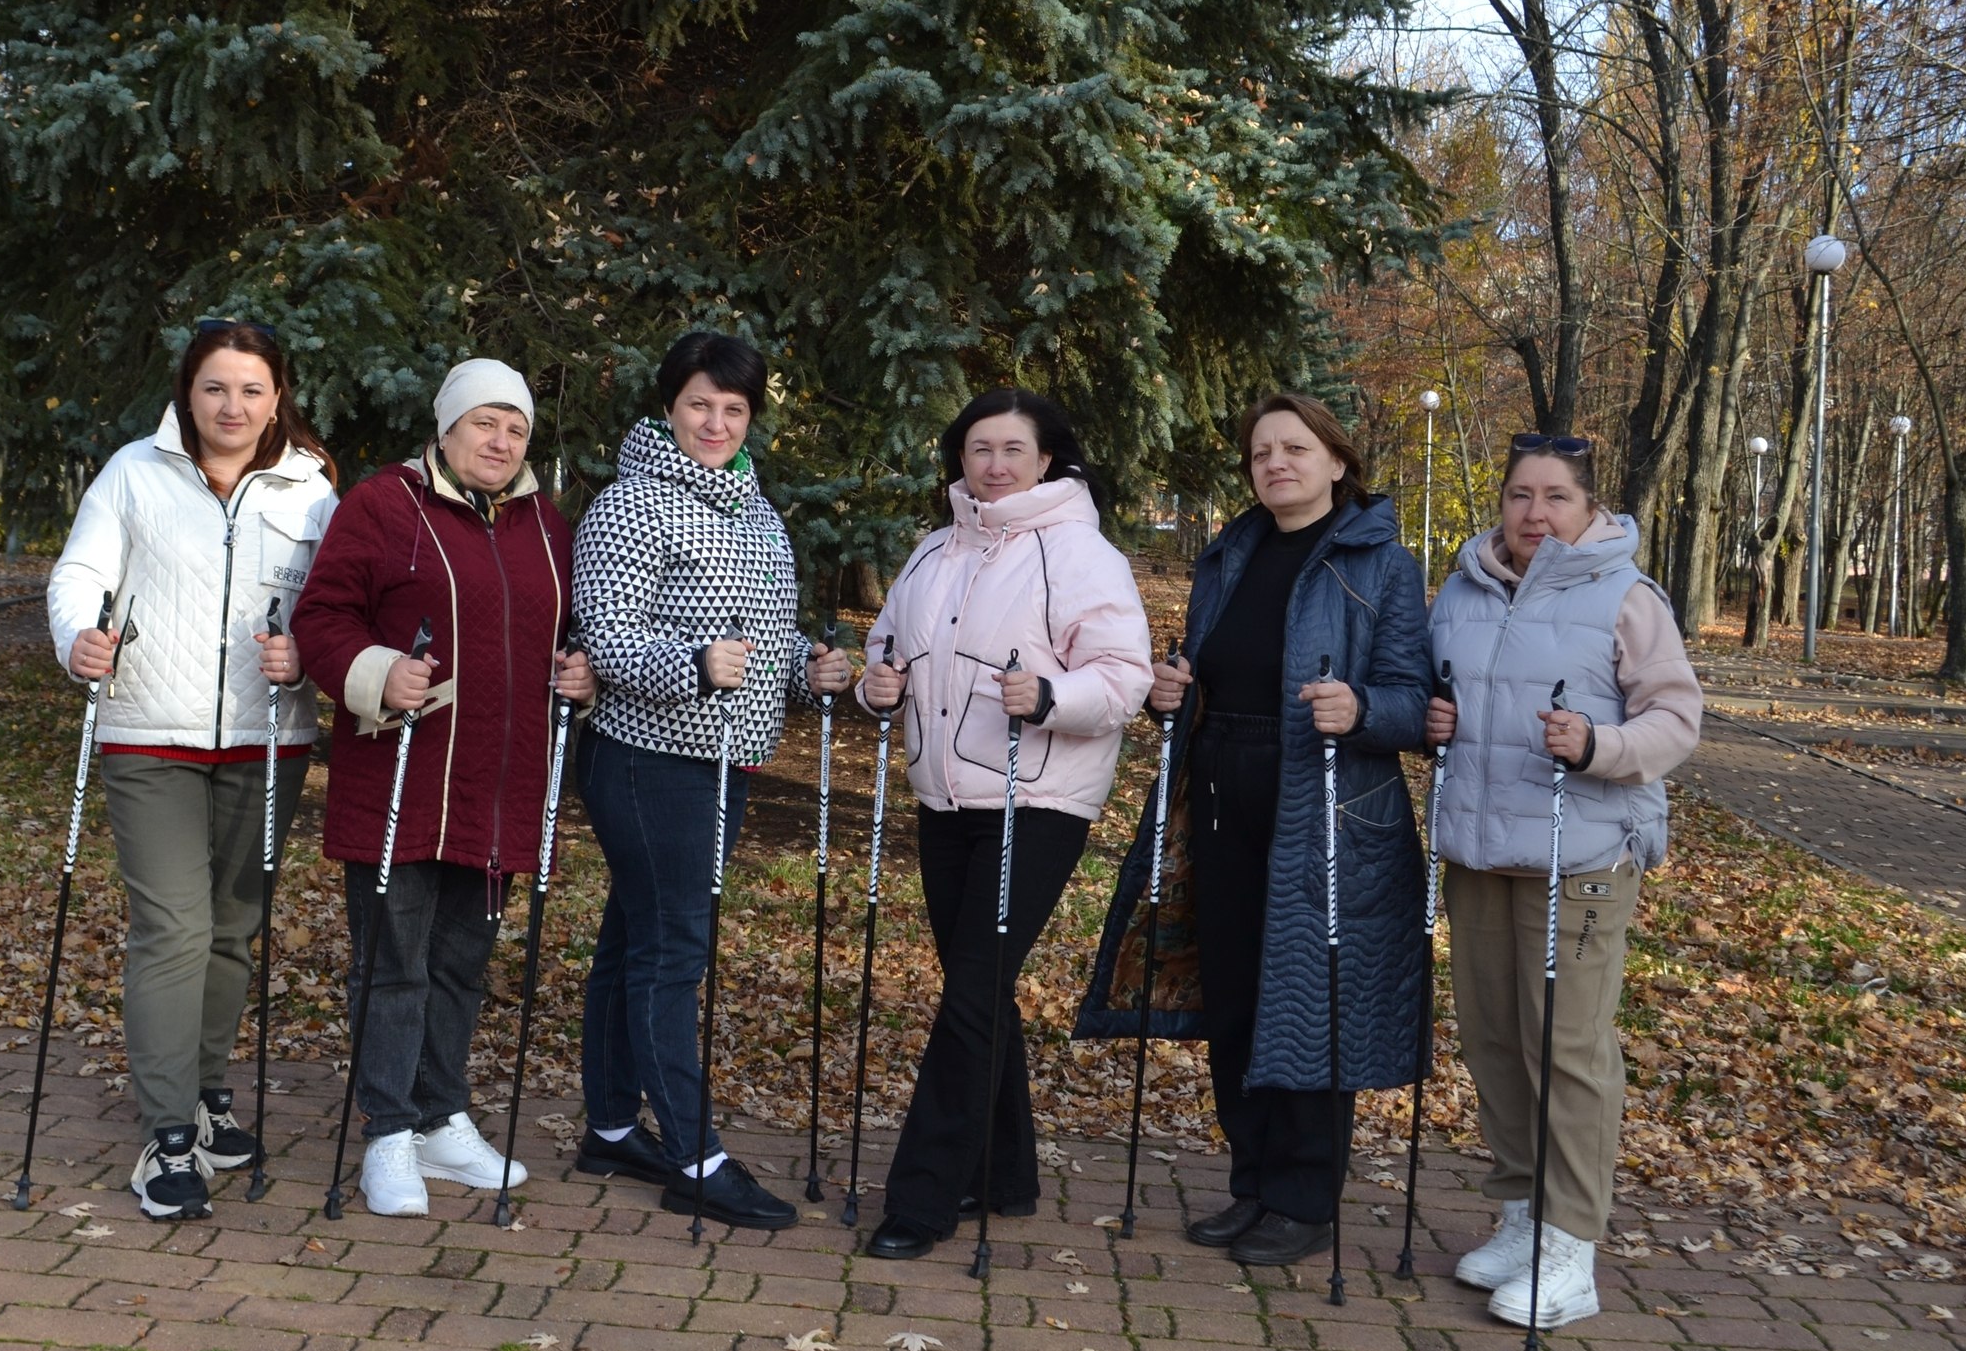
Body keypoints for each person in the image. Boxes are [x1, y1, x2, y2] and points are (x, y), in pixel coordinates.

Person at [1076, 393, 1430, 1266]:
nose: (1276, 463)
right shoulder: (1229, 554)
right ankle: (1251, 1183)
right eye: (1261, 450)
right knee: (1233, 993)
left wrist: (1365, 707)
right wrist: (1174, 692)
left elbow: (1418, 703)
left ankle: (1304, 1198)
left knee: (1311, 998)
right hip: (1222, 793)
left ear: (1338, 461)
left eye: (1295, 448)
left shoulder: (1381, 563)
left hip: (1327, 804)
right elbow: (1207, 668)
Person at [46, 320, 339, 1221]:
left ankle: (210, 1099)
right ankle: (167, 1134)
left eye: (251, 389)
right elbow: (79, 573)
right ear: (188, 391)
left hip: (266, 739)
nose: (233, 406)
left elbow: (336, 606)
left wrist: (309, 658)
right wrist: (77, 640)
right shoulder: (135, 472)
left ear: (277, 396)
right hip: (149, 737)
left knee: (231, 930)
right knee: (174, 928)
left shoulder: (312, 491)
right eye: (216, 387)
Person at [289, 359, 594, 1217]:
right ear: (447, 427)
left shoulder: (547, 526)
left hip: (502, 784)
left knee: (461, 963)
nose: (499, 441)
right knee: (393, 963)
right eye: (484, 423)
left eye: (516, 428)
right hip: (402, 776)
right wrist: (377, 671)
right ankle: (388, 1131)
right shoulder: (386, 505)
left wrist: (583, 673)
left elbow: (570, 634)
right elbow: (322, 618)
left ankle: (440, 1115)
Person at [853, 389, 1153, 1260]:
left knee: (973, 992)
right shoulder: (934, 549)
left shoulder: (1080, 552)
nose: (994, 464)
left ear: (1048, 459)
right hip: (944, 800)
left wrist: (1055, 695)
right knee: (978, 989)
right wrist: (881, 681)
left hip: (1038, 799)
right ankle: (1004, 1168)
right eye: (979, 448)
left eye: (1013, 449)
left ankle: (922, 1195)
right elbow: (889, 644)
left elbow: (1124, 674)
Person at [567, 330, 852, 1231]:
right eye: (700, 404)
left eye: (734, 408)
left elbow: (764, 630)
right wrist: (692, 662)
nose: (717, 421)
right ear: (668, 407)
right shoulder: (628, 505)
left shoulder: (756, 510)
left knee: (632, 939)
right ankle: (694, 1153)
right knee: (671, 954)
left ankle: (612, 1123)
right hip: (653, 759)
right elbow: (604, 637)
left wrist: (805, 667)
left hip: (726, 758)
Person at [1422, 433, 1701, 1329]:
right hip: (1478, 851)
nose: (1534, 514)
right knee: (1495, 1037)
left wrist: (1598, 744)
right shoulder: (1461, 589)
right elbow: (1447, 696)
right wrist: (1435, 721)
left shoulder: (1625, 595)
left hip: (1578, 855)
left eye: (1555, 498)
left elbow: (1675, 718)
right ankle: (1519, 1214)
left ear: (1589, 510)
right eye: (1519, 496)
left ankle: (1570, 1245)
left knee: (1567, 1047)